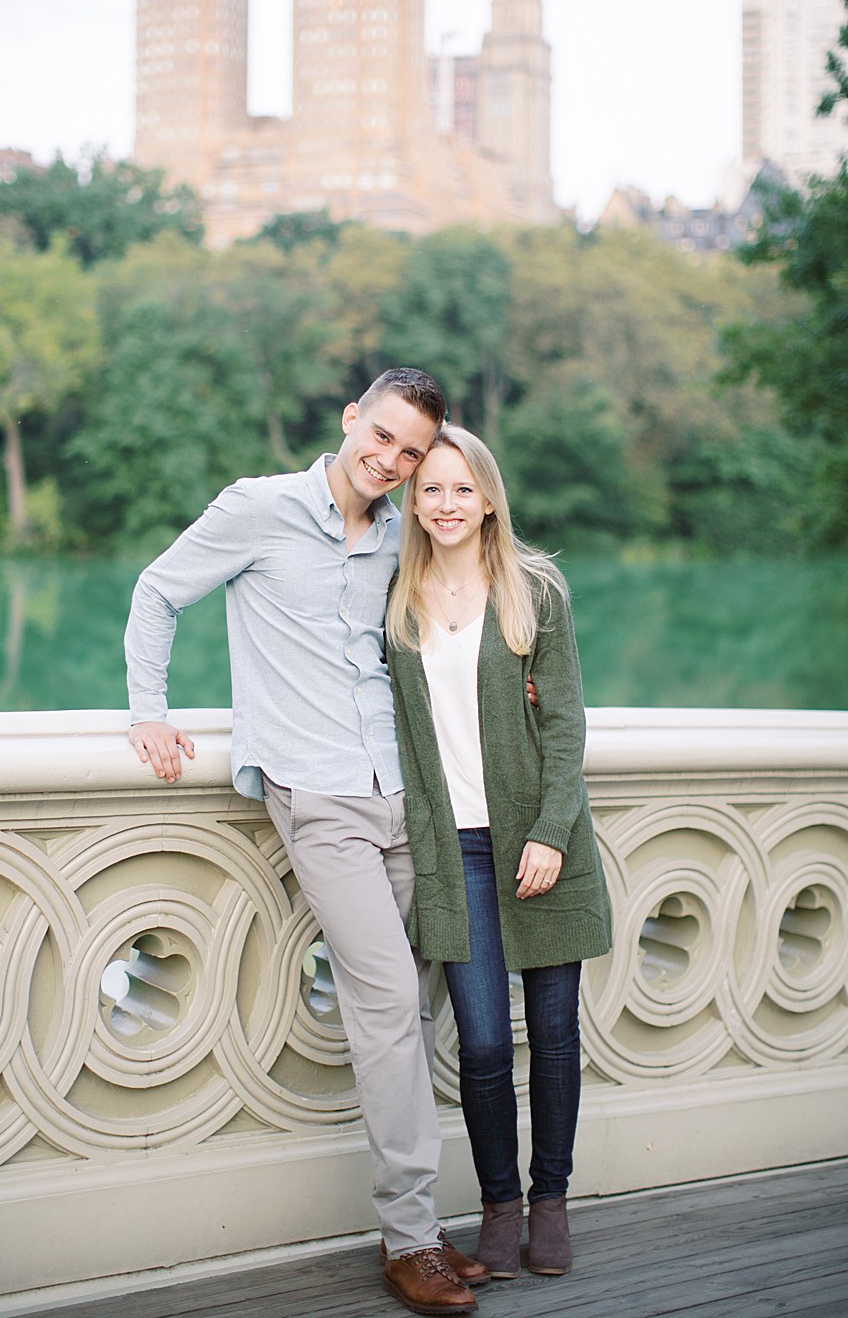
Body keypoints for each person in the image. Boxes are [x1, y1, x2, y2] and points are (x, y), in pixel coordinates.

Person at [125, 370, 489, 1316]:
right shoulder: (258, 510)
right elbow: (159, 593)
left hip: (405, 795)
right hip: (317, 794)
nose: (393, 461)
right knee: (381, 1001)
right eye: (383, 437)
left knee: (416, 1007)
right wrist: (148, 714)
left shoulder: (403, 535)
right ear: (350, 421)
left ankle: (419, 1227)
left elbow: (448, 627)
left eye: (411, 453)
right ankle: (410, 1239)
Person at [385, 424, 613, 1282]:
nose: (445, 505)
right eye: (429, 489)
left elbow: (564, 724)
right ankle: (499, 1205)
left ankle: (549, 1200)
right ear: (415, 500)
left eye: (460, 489)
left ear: (488, 498)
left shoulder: (533, 592)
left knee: (552, 1035)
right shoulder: (397, 601)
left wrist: (552, 832)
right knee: (480, 1043)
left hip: (537, 842)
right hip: (457, 853)